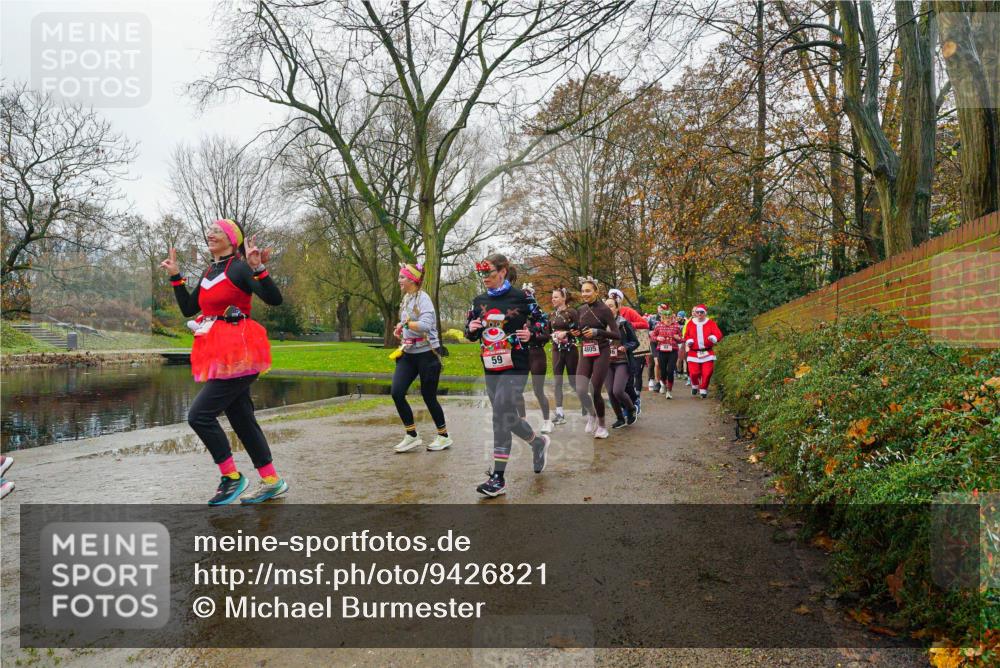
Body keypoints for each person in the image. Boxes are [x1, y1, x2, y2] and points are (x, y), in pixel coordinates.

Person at [163, 218, 287, 505]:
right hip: (219, 354)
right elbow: (188, 308)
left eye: (217, 231)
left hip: (241, 352)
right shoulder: (210, 271)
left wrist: (259, 268)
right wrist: (176, 276)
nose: (210, 234)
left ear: (233, 239)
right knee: (242, 419)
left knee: (199, 415)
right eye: (209, 230)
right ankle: (271, 481)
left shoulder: (240, 267)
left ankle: (231, 478)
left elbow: (274, 299)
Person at [465, 254, 551, 497]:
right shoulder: (478, 300)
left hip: (516, 364)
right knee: (507, 417)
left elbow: (545, 325)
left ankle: (498, 478)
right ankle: (537, 443)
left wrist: (532, 334)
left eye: (489, 273)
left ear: (503, 271)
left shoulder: (522, 297)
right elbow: (470, 332)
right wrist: (471, 330)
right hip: (491, 367)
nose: (484, 278)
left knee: (500, 412)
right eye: (481, 274)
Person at [389, 263, 451, 453]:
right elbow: (407, 323)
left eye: (402, 277)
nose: (399, 280)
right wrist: (400, 330)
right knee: (396, 392)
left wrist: (407, 323)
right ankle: (412, 435)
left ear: (412, 280)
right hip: (408, 353)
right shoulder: (406, 298)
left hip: (428, 354)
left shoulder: (423, 299)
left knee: (428, 396)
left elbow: (426, 324)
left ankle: (443, 436)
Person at [570, 278, 620, 439]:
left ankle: (602, 426)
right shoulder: (580, 309)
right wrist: (576, 333)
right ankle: (591, 414)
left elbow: (616, 334)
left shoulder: (604, 310)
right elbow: (579, 329)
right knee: (580, 388)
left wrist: (598, 332)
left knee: (595, 389)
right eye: (583, 291)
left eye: (588, 291)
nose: (584, 294)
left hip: (602, 350)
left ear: (596, 292)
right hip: (585, 350)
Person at [513, 284, 553, 433]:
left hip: (536, 354)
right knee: (517, 391)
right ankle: (522, 420)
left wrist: (532, 335)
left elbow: (547, 336)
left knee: (538, 390)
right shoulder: (516, 316)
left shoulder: (539, 317)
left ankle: (547, 421)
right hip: (521, 355)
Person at [608, 288, 648, 415]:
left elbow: (645, 324)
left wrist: (629, 324)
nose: (613, 301)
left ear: (619, 301)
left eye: (615, 298)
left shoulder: (628, 311)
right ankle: (624, 405)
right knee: (616, 384)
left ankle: (634, 401)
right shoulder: (604, 315)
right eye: (611, 298)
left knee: (628, 381)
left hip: (629, 349)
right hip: (612, 353)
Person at [605, 297, 639, 429]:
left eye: (611, 306)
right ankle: (619, 418)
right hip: (607, 363)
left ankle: (631, 409)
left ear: (617, 308)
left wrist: (626, 347)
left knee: (618, 390)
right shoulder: (600, 324)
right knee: (610, 392)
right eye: (606, 306)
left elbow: (635, 342)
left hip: (622, 361)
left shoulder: (624, 323)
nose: (608, 308)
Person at [549, 287, 580, 426]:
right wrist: (553, 336)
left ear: (563, 298)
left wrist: (566, 334)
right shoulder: (551, 314)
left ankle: (588, 403)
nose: (553, 299)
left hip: (570, 350)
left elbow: (578, 329)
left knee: (574, 381)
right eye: (552, 297)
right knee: (557, 381)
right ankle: (560, 413)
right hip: (556, 350)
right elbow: (548, 331)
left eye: (556, 297)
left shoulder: (572, 312)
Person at [683, 304, 723, 399]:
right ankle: (695, 385)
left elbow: (718, 334)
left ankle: (703, 389)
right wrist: (688, 340)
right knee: (694, 373)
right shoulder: (690, 323)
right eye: (698, 312)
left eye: (702, 312)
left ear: (705, 313)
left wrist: (714, 338)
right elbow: (686, 334)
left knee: (707, 372)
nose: (700, 314)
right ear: (695, 313)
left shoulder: (710, 323)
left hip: (707, 353)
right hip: (693, 352)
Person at [651, 306, 683, 399]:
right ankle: (663, 384)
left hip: (673, 351)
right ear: (662, 318)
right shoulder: (658, 325)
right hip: (661, 351)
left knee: (670, 371)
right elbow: (652, 337)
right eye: (666, 318)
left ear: (672, 318)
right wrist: (657, 338)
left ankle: (669, 390)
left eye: (669, 318)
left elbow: (681, 339)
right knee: (663, 371)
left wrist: (678, 338)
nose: (668, 320)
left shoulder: (676, 326)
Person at [676, 310, 689, 384]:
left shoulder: (686, 322)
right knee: (678, 359)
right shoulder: (676, 323)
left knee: (684, 358)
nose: (679, 318)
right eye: (678, 316)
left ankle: (685, 372)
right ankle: (678, 371)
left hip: (684, 341)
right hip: (678, 342)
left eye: (680, 316)